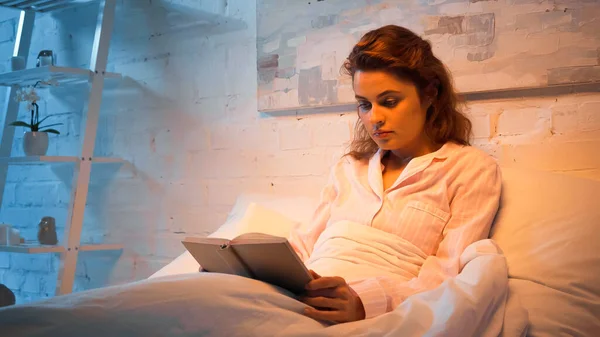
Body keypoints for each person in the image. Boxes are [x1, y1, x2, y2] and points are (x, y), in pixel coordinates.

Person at [290, 25, 502, 324]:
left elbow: (447, 272)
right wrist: (251, 265)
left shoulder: (469, 169)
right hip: (301, 300)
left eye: (389, 102)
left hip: (376, 317)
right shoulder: (348, 169)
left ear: (429, 94)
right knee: (210, 290)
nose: (374, 118)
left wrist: (366, 303)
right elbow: (302, 244)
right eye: (365, 104)